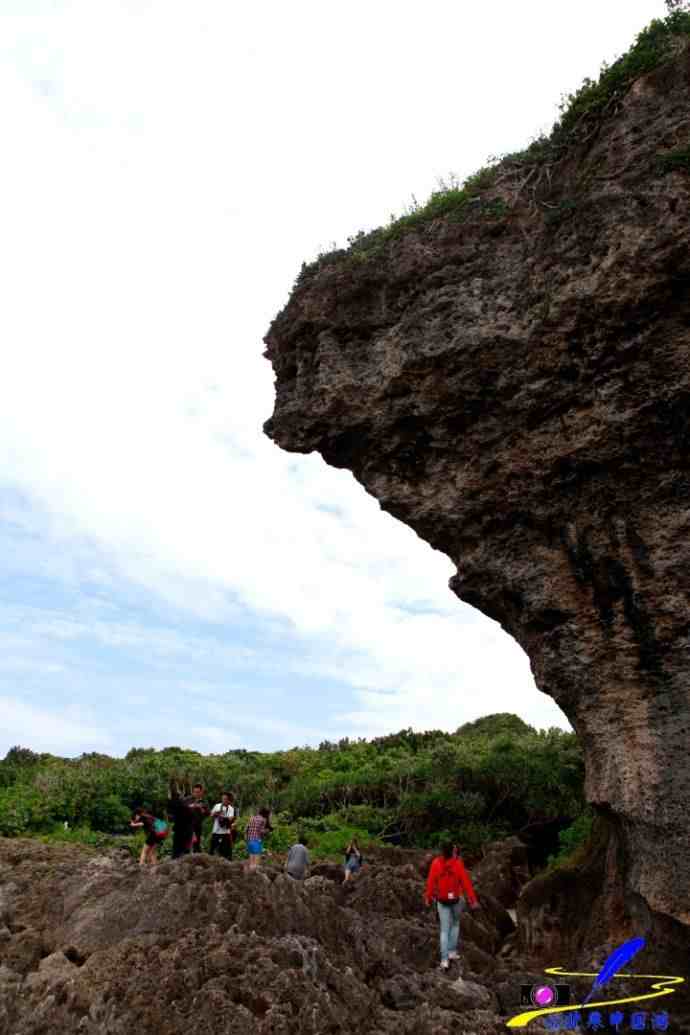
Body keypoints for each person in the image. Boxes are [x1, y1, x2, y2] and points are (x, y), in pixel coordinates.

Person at [425, 841, 480, 971]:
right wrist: (473, 901)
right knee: (455, 924)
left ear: (442, 851)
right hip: (455, 900)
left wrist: (428, 897)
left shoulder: (436, 863)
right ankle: (452, 952)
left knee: (444, 930)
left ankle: (444, 961)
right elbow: (466, 884)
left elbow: (431, 882)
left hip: (442, 901)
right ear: (452, 851)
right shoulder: (458, 864)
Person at [209, 791, 236, 860]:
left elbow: (230, 819)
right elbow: (211, 815)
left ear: (229, 800)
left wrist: (222, 817)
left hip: (225, 833)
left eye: (225, 799)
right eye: (222, 799)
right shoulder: (217, 806)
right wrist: (216, 814)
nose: (223, 800)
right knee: (212, 850)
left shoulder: (231, 808)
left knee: (226, 852)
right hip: (216, 832)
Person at [245, 807, 272, 871]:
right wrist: (267, 831)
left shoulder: (252, 818)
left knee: (251, 863)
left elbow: (246, 829)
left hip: (249, 841)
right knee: (256, 864)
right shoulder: (263, 820)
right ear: (266, 814)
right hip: (257, 841)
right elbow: (261, 832)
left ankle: (249, 876)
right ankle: (254, 877)